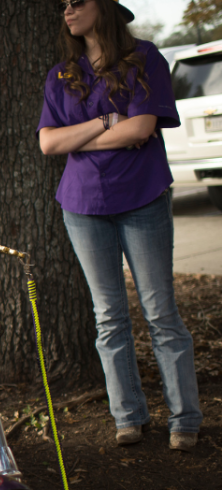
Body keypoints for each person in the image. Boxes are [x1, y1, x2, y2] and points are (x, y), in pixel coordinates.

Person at [38, 0, 201, 450]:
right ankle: (128, 416)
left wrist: (83, 139)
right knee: (108, 316)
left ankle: (185, 420)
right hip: (82, 205)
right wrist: (106, 121)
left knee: (161, 312)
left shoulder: (145, 57)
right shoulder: (61, 74)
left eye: (78, 2)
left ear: (104, 8)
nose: (67, 11)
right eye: (63, 5)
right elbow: (49, 143)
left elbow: (141, 129)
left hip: (142, 195)